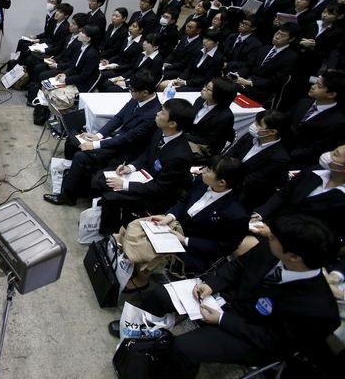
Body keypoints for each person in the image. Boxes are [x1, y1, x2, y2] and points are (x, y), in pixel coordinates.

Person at [120, 215, 339, 379]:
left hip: (250, 334)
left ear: (294, 257)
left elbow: (274, 342)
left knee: (184, 349)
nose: (266, 237)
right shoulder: (271, 249)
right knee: (160, 295)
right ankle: (137, 337)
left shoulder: (318, 310)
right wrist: (210, 285)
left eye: (273, 237)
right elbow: (238, 266)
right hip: (226, 298)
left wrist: (222, 320)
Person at [125, 156, 250, 290]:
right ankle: (131, 262)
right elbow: (184, 201)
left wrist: (185, 240)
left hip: (195, 249)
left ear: (222, 182)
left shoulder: (236, 215)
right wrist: (170, 217)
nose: (202, 171)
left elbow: (221, 247)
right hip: (177, 228)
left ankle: (142, 279)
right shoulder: (201, 183)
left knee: (149, 249)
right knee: (139, 227)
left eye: (208, 170)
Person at [44, 72, 161, 206]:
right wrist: (98, 136)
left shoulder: (152, 114)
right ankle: (75, 180)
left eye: (132, 90)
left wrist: (95, 145)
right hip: (116, 139)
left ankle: (68, 196)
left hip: (126, 151)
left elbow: (128, 139)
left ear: (145, 92)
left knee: (81, 156)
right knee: (73, 139)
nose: (130, 93)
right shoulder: (137, 98)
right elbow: (118, 118)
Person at [98, 98, 195, 235]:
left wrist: (125, 184)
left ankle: (111, 235)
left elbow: (160, 188)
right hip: (144, 176)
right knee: (102, 179)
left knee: (110, 195)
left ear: (172, 123)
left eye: (162, 112)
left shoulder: (180, 155)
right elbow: (147, 154)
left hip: (156, 196)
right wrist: (131, 167)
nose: (157, 113)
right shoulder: (160, 132)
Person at [227, 110, 291, 211]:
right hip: (227, 180)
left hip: (247, 195)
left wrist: (222, 175)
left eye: (258, 124)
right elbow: (230, 154)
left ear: (272, 132)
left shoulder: (280, 158)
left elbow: (252, 181)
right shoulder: (249, 137)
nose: (253, 125)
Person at [285, 70, 345, 169]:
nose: (313, 86)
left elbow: (315, 150)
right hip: (279, 148)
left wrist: (284, 154)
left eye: (319, 86)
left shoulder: (338, 122)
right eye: (316, 83)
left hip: (299, 162)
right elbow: (283, 122)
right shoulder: (303, 102)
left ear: (331, 94)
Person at [234, 23, 300, 103]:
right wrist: (237, 75)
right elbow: (249, 66)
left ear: (291, 39)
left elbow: (275, 80)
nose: (277, 37)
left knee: (230, 89)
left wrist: (249, 82)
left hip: (262, 89)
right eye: (277, 33)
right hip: (246, 81)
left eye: (282, 36)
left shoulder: (291, 57)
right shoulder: (264, 48)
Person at [159, 29, 224, 92]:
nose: (205, 41)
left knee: (172, 90)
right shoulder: (199, 50)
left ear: (216, 43)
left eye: (209, 40)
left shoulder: (218, 59)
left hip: (200, 85)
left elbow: (205, 79)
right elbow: (189, 68)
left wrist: (185, 82)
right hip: (188, 79)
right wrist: (179, 79)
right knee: (163, 85)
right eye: (205, 38)